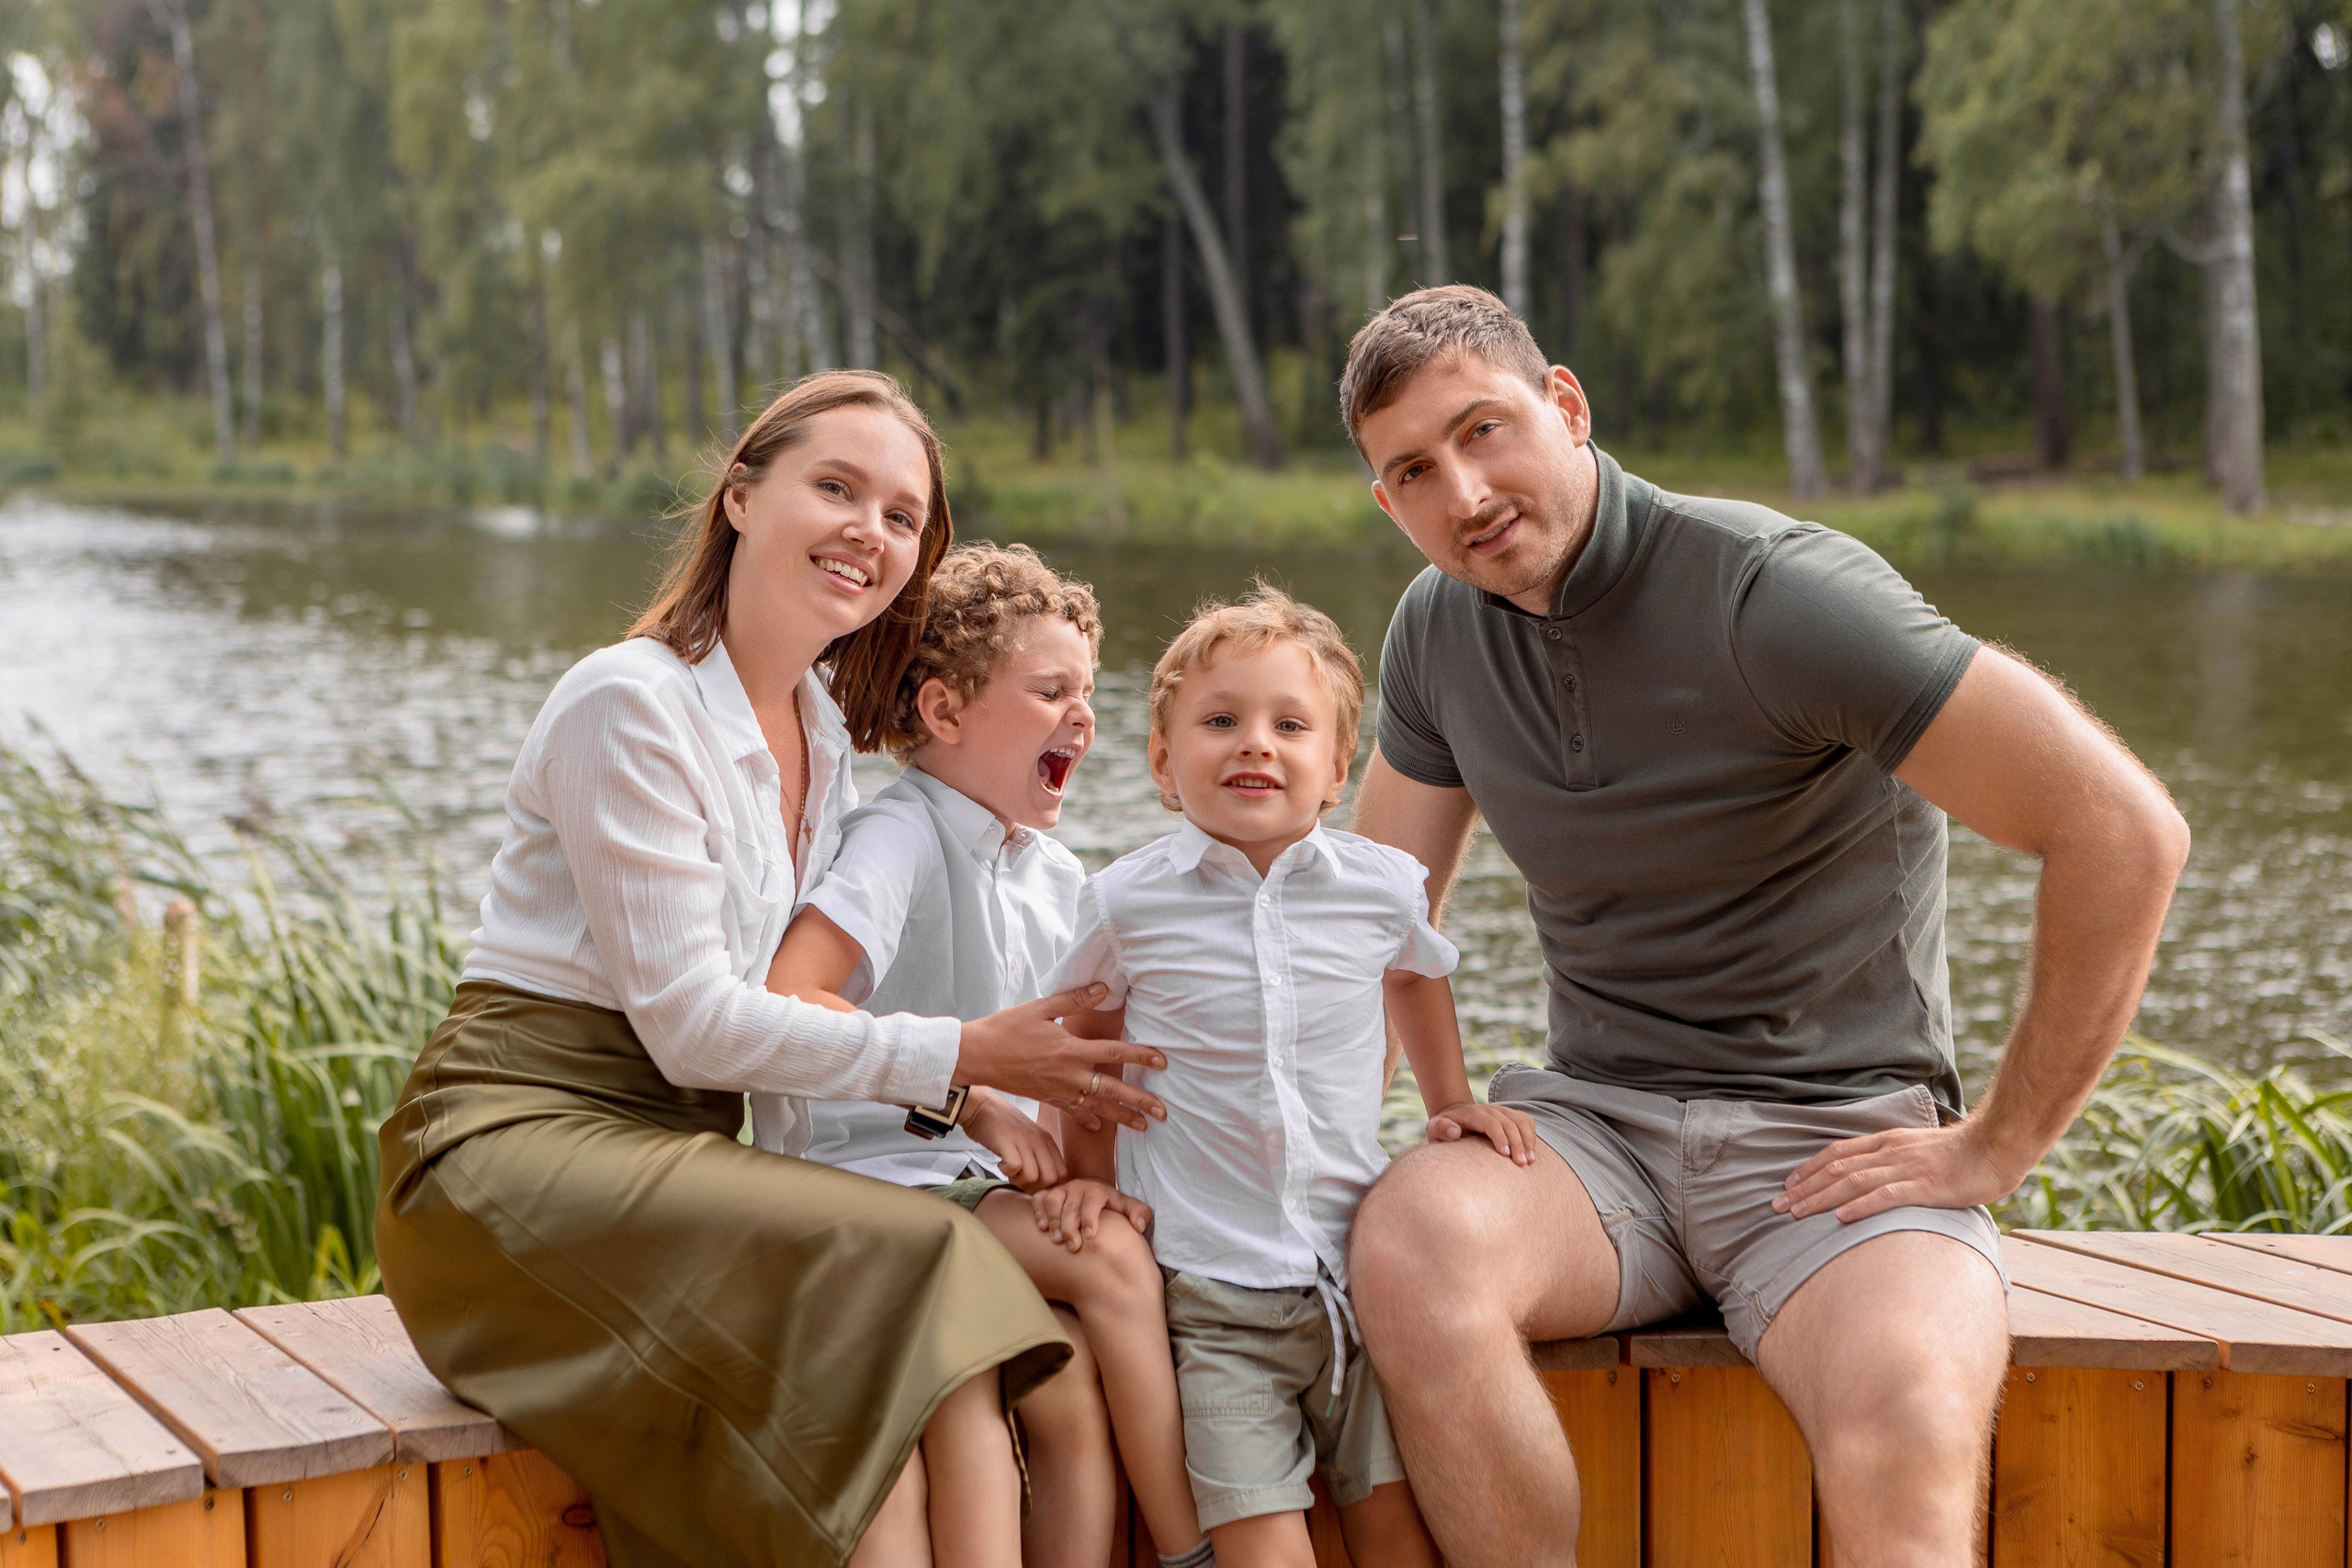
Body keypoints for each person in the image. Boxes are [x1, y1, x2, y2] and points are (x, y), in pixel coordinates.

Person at [1336, 287, 2190, 1567]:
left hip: (1837, 1148)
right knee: (1406, 1241)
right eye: (1415, 469)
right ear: (1385, 502)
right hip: (1595, 1137)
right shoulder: (1434, 634)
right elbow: (1365, 919)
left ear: (1566, 405)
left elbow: (2123, 829)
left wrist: (1998, 1143)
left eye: (1485, 431)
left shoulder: (1772, 593)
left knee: (1909, 1414)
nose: (1463, 491)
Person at [375, 371, 1170, 1568]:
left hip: (676, 1155)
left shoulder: (821, 730)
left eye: (903, 514)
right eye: (836, 486)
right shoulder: (630, 703)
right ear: (741, 494)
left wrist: (989, 1094)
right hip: (503, 1160)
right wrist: (964, 1058)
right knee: (932, 1258)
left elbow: (765, 1036)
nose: (871, 529)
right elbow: (697, 1028)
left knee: (897, 1402)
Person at [1049, 588, 1540, 1568]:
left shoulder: (1382, 885)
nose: (1254, 746)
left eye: (1289, 725)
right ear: (1160, 759)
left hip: (1358, 1280)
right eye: (1220, 722)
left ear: (1335, 767)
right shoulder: (1125, 902)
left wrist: (1450, 1105)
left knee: (1397, 1535)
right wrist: (1089, 1175)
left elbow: (1414, 974)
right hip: (1208, 1290)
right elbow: (1090, 1044)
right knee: (1262, 1549)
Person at [763, 542, 1209, 1568]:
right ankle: (1198, 1551)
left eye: (1088, 692)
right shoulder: (900, 837)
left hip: (972, 1196)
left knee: (1067, 1379)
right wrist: (970, 1101)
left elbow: (1080, 1075)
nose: (1084, 716)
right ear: (945, 713)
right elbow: (791, 994)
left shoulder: (1057, 876)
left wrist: (1085, 1181)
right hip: (868, 1188)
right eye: (1050, 690)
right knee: (1110, 1268)